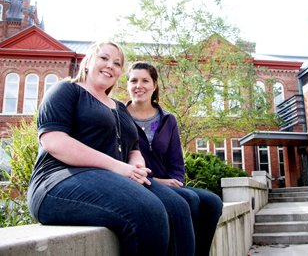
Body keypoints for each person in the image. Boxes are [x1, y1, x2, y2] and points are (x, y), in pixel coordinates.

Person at [27, 41, 195, 256]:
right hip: (57, 182)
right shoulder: (67, 89)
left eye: (117, 63)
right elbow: (55, 142)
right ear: (88, 62)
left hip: (113, 179)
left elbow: (134, 148)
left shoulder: (119, 108)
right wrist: (119, 167)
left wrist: (137, 168)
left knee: (179, 207)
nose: (110, 65)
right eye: (104, 58)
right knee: (147, 211)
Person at [125, 61, 224, 256]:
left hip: (168, 183)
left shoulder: (167, 119)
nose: (139, 86)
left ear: (154, 85)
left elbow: (176, 161)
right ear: (127, 85)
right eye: (133, 80)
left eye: (145, 80)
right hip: (139, 182)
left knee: (213, 202)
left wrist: (176, 181)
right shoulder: (120, 116)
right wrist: (158, 181)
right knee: (190, 199)